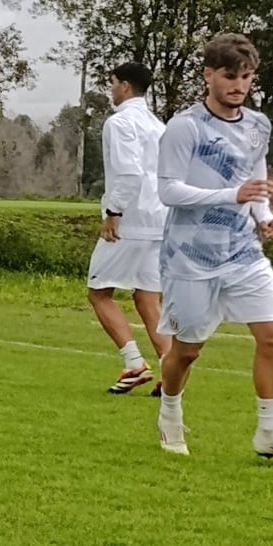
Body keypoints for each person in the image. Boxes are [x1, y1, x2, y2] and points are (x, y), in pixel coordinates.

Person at [153, 33, 273, 464]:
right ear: (208, 75)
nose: (239, 85)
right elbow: (168, 191)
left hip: (243, 251)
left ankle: (271, 432)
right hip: (190, 254)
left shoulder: (258, 125)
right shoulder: (184, 126)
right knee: (187, 350)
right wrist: (233, 196)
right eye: (230, 76)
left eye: (247, 77)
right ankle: (169, 413)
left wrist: (263, 214)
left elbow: (255, 180)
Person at [89, 62, 171, 393]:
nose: (110, 90)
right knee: (148, 299)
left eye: (112, 84)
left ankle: (133, 362)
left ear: (124, 86)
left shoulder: (120, 122)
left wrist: (113, 212)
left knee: (98, 292)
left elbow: (128, 173)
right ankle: (171, 373)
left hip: (130, 221)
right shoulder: (157, 125)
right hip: (159, 220)